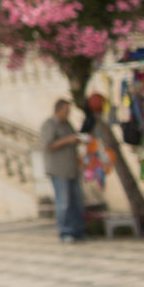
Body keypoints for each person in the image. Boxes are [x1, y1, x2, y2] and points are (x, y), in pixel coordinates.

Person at [41, 98, 87, 243]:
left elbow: (73, 140)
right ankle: (65, 232)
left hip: (72, 168)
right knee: (64, 203)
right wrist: (68, 140)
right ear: (58, 109)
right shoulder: (49, 125)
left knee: (77, 202)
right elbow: (47, 145)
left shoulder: (67, 124)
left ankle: (78, 231)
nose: (68, 114)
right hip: (59, 170)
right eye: (66, 110)